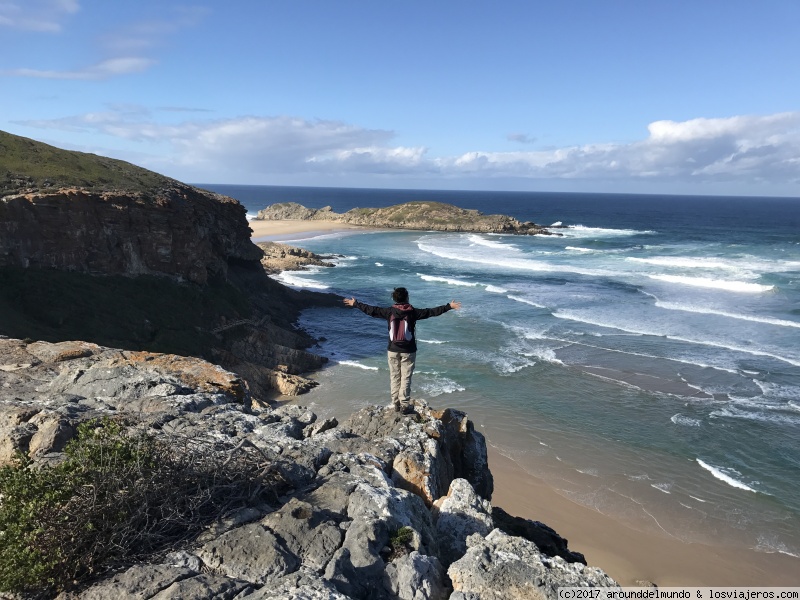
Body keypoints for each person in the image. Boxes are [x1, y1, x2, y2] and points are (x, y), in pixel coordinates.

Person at [343, 287, 461, 413]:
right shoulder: (412, 312)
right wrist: (449, 306)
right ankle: (404, 404)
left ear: (394, 298)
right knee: (406, 377)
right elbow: (431, 312)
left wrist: (355, 304)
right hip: (408, 350)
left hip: (392, 349)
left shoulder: (389, 311)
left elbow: (371, 310)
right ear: (407, 297)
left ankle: (396, 404)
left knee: (394, 376)